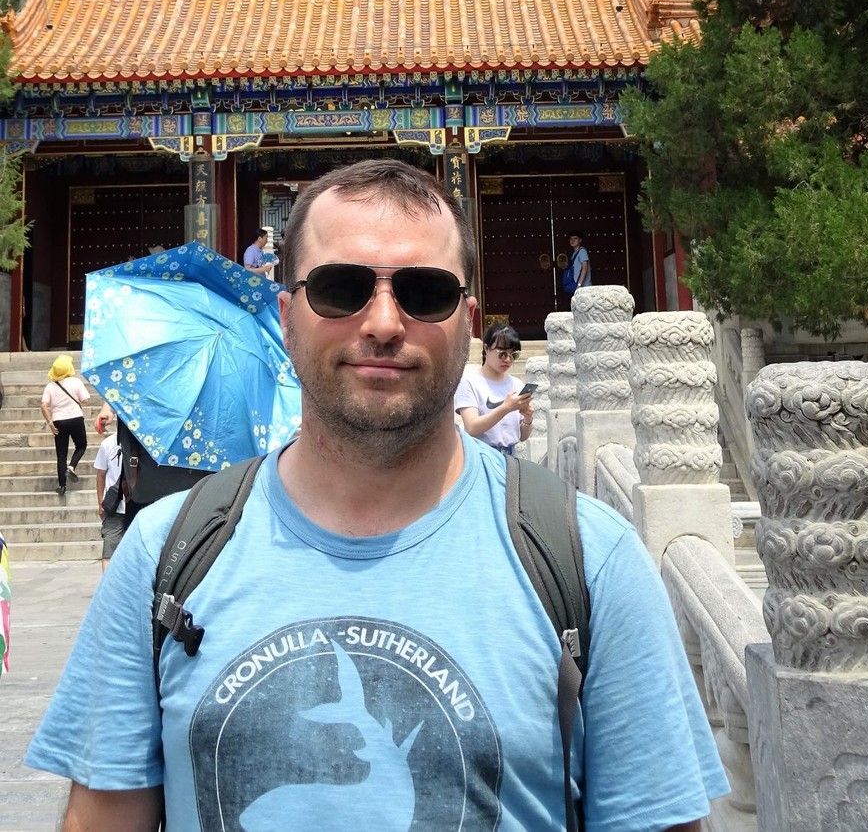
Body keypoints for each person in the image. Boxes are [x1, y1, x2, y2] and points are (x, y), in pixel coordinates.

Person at [27, 159, 727, 831]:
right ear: (285, 314)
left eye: (424, 291)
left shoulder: (591, 564)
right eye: (340, 286)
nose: (384, 322)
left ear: (469, 318)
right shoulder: (164, 556)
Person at [456, 322, 532, 455]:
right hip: (481, 454)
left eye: (513, 355)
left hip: (511, 455)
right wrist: (506, 408)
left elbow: (523, 437)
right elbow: (472, 428)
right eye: (502, 354)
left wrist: (528, 418)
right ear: (486, 349)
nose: (507, 359)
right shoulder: (469, 382)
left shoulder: (517, 385)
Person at [39, 355, 90, 495]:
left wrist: (50, 423)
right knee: (81, 446)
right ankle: (72, 467)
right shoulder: (76, 382)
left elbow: (43, 405)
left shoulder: (50, 386)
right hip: (76, 419)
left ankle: (62, 486)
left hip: (58, 421)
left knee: (61, 455)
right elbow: (85, 400)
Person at [93, 429, 129, 571]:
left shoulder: (143, 443)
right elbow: (101, 474)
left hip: (137, 505)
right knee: (109, 550)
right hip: (115, 506)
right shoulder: (107, 444)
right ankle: (108, 589)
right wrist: (100, 502)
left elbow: (101, 474)